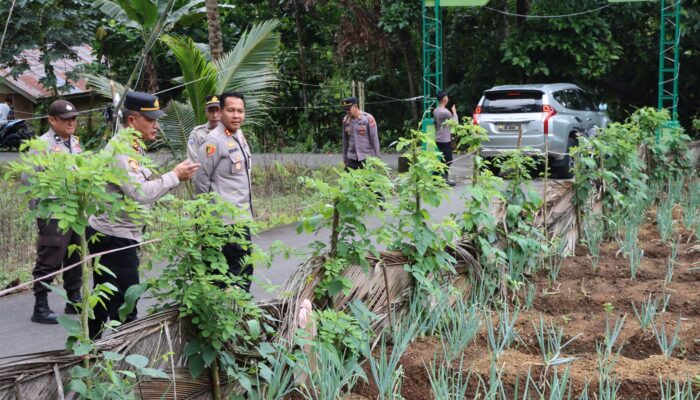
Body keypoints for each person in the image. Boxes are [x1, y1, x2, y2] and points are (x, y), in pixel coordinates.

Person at [87, 91, 199, 339]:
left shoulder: (133, 147)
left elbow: (145, 179)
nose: (156, 126)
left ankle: (88, 348)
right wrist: (174, 177)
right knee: (126, 304)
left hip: (116, 234)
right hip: (114, 237)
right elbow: (140, 193)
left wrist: (172, 176)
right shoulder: (121, 151)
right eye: (151, 120)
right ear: (132, 121)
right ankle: (123, 357)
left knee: (104, 296)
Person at [29, 99, 84, 324]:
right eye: (65, 119)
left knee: (75, 255)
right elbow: (30, 180)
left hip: (74, 210)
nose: (71, 123)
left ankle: (74, 298)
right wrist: (43, 214)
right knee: (50, 258)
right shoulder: (41, 145)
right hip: (53, 211)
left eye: (73, 118)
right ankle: (40, 306)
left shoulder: (76, 143)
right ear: (52, 120)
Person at [194, 91, 254, 291]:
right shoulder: (214, 141)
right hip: (224, 221)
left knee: (243, 269)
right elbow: (201, 179)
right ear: (220, 112)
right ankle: (233, 314)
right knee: (232, 273)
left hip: (241, 217)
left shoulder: (238, 134)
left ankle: (239, 314)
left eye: (240, 111)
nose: (236, 115)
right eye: (231, 110)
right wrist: (205, 218)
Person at [341, 96, 380, 170]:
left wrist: (377, 158)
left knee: (368, 181)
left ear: (355, 106)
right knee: (349, 180)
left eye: (349, 109)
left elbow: (374, 139)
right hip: (352, 158)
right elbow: (345, 141)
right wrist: (345, 157)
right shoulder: (346, 120)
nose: (347, 111)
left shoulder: (368, 118)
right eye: (345, 110)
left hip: (367, 157)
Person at [187, 95, 221, 163]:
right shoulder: (197, 133)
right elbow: (192, 161)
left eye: (218, 110)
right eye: (211, 111)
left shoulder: (231, 132)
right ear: (206, 112)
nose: (215, 115)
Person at [433, 91, 457, 186]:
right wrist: (454, 112)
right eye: (447, 97)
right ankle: (444, 179)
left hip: (439, 137)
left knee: (443, 159)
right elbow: (455, 123)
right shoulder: (445, 112)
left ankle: (435, 178)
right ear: (445, 99)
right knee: (448, 159)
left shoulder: (436, 110)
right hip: (444, 139)